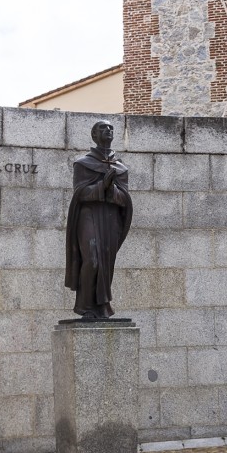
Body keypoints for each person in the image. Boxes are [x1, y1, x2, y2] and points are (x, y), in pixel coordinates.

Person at [64, 121, 132, 318]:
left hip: (111, 219)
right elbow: (80, 193)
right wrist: (102, 185)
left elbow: (125, 199)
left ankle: (102, 307)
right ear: (94, 135)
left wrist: (112, 189)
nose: (108, 131)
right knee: (92, 260)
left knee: (107, 263)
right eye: (103, 128)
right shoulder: (83, 163)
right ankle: (85, 307)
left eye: (111, 128)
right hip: (89, 215)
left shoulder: (120, 168)